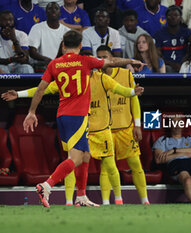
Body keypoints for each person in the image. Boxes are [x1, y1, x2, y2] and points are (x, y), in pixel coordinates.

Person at [22, 30, 144, 208]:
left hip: (63, 116)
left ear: (63, 45)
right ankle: (46, 185)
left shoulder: (54, 64)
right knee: (77, 158)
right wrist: (131, 61)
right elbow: (112, 61)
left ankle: (81, 196)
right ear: (80, 46)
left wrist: (32, 112)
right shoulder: (85, 61)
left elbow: (40, 90)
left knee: (86, 155)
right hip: (77, 117)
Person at [98, 46, 150, 205]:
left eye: (105, 57)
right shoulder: (95, 77)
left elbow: (134, 99)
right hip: (104, 130)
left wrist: (138, 124)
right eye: (99, 57)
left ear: (113, 58)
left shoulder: (126, 74)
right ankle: (106, 203)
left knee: (136, 164)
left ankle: (145, 201)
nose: (103, 61)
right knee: (106, 168)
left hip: (125, 128)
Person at [153, 116, 191, 202]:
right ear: (170, 125)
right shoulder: (162, 140)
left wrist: (174, 151)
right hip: (176, 162)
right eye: (174, 123)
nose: (177, 126)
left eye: (179, 123)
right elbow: (158, 159)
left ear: (183, 125)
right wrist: (184, 153)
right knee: (187, 180)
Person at [28, 2, 70, 67]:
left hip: (62, 65)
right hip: (43, 64)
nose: (53, 10)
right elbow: (32, 52)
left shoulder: (67, 31)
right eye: (50, 8)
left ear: (60, 13)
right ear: (46, 13)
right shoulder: (37, 28)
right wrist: (46, 60)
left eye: (56, 8)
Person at [154, 5, 191, 73]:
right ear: (166, 18)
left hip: (185, 64)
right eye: (170, 15)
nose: (173, 17)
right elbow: (157, 55)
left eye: (176, 15)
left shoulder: (186, 32)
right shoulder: (159, 34)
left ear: (180, 17)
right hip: (167, 66)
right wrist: (172, 64)